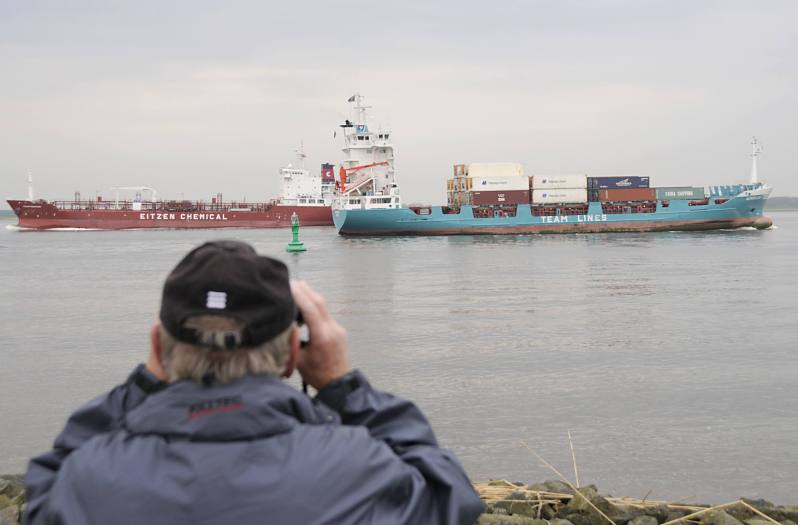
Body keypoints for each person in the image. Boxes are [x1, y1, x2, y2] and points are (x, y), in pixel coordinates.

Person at [23, 240, 484, 525]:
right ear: (292, 354)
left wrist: (144, 385)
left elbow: (44, 492)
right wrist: (342, 385)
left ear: (158, 349)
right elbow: (449, 496)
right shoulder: (359, 468)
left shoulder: (86, 479)